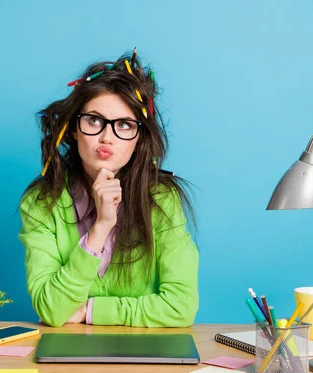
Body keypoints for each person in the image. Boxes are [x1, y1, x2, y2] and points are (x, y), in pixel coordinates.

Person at [18, 50, 198, 327]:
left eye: (124, 125)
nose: (106, 137)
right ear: (74, 128)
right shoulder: (42, 202)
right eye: (94, 120)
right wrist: (101, 227)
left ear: (139, 138)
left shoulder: (163, 198)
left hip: (146, 355)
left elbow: (180, 307)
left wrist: (91, 311)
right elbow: (52, 310)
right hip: (69, 354)